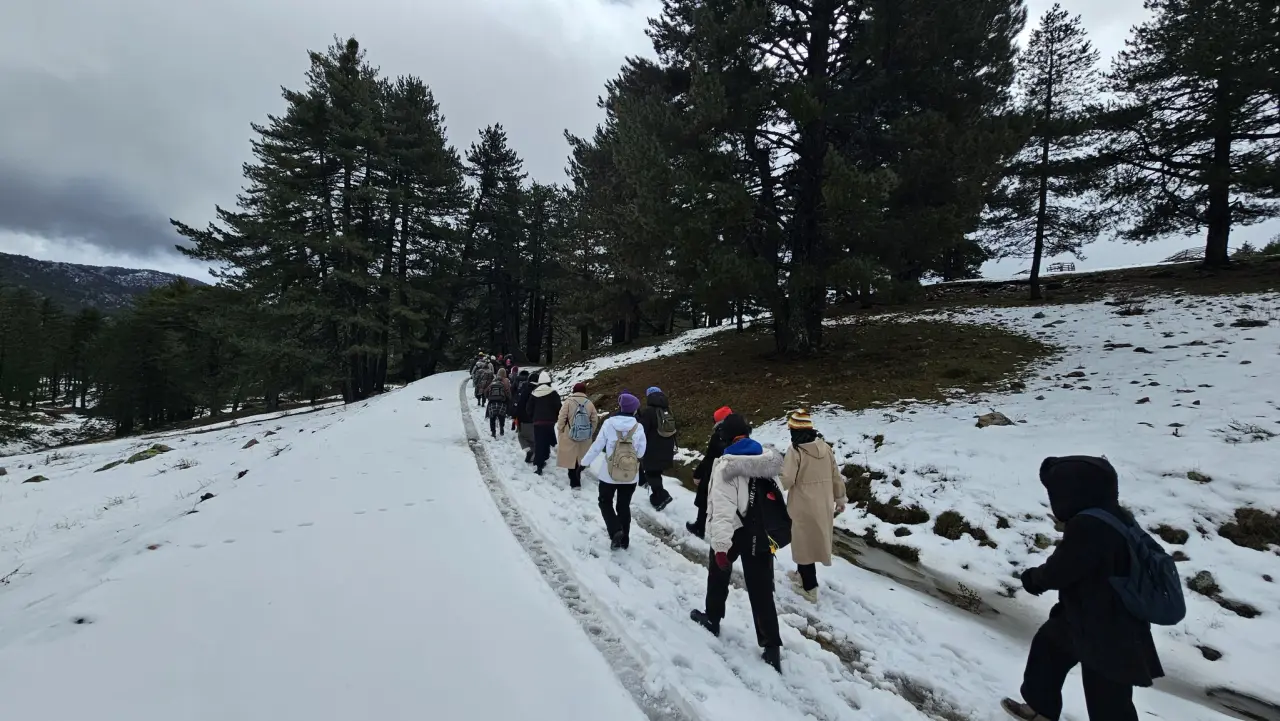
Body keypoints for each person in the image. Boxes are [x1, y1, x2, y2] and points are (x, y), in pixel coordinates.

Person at [1001, 456, 1164, 721]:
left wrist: (1034, 579)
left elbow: (1063, 569)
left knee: (1107, 697)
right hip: (1087, 616)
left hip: (1106, 626)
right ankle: (1038, 710)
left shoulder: (1090, 526)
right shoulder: (1116, 516)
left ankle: (1039, 709)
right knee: (1048, 649)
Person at [689, 413, 784, 673]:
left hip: (735, 531)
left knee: (718, 574)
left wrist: (720, 547)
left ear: (726, 437)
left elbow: (722, 511)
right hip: (761, 533)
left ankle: (713, 618)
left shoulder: (726, 466)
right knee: (762, 588)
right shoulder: (767, 459)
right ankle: (771, 647)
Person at [779, 410, 845, 603]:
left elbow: (787, 479)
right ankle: (801, 576)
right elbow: (835, 475)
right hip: (823, 504)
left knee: (803, 544)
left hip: (802, 504)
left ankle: (810, 588)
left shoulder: (795, 451)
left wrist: (771, 484)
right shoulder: (825, 448)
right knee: (808, 542)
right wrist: (840, 498)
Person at [583, 393, 648, 549]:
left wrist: (584, 462)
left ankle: (615, 530)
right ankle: (625, 540)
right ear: (633, 410)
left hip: (609, 474)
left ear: (620, 407)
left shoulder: (609, 423)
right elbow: (641, 453)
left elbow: (597, 445)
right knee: (623, 505)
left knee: (605, 502)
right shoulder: (638, 427)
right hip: (630, 474)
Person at [686, 406, 733, 538]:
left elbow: (710, 458)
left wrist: (698, 474)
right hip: (731, 474)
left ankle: (700, 527)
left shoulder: (718, 436)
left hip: (714, 472)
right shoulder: (739, 434)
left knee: (704, 499)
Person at [636, 386, 677, 511]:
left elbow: (642, 430)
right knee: (656, 472)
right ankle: (658, 495)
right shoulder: (668, 410)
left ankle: (661, 496)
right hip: (667, 446)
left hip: (652, 447)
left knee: (651, 472)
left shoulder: (648, 411)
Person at [556, 383, 599, 489]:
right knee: (580, 457)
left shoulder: (568, 402)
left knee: (571, 459)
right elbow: (594, 420)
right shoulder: (589, 403)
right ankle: (578, 474)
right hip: (584, 436)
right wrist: (589, 432)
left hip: (569, 434)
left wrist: (561, 429)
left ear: (574, 391)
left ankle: (574, 482)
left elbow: (562, 418)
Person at [526, 372, 561, 475]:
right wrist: (555, 418)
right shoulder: (553, 393)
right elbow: (559, 407)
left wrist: (533, 417)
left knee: (539, 442)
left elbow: (528, 409)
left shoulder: (534, 393)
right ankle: (545, 456)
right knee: (546, 441)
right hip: (550, 422)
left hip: (538, 422)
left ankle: (539, 465)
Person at [513, 370, 536, 463]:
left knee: (521, 436)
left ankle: (529, 451)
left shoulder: (525, 390)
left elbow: (520, 404)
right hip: (537, 418)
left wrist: (515, 416)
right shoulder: (541, 391)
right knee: (534, 438)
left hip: (524, 418)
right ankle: (534, 455)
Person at [484, 368, 512, 438]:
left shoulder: (493, 381)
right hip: (502, 402)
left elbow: (486, 391)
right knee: (502, 416)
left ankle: (493, 432)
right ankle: (502, 428)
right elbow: (508, 392)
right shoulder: (506, 380)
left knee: (492, 417)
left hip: (492, 402)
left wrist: (488, 397)